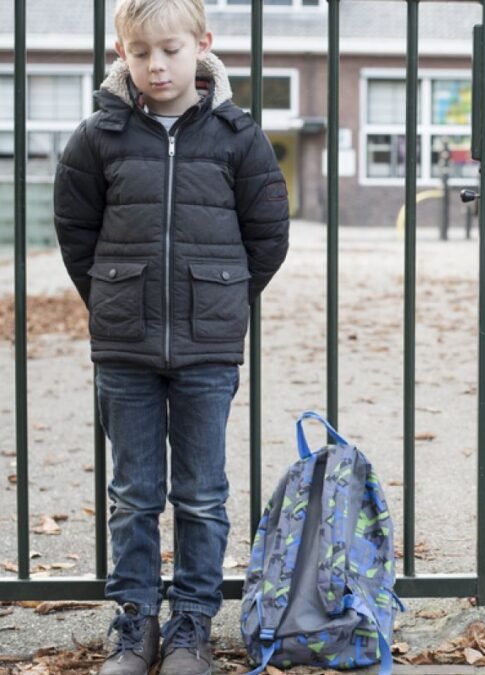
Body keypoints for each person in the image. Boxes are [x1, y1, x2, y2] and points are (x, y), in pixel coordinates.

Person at [52, 0, 289, 673]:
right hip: (124, 349)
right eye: (140, 52)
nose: (157, 65)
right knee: (133, 494)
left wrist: (220, 301)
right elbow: (76, 231)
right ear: (120, 54)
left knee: (202, 492)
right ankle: (134, 626)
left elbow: (267, 234)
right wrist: (110, 298)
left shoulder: (238, 136)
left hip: (206, 351)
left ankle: (190, 625)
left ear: (202, 46)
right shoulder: (98, 136)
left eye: (171, 50)